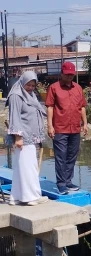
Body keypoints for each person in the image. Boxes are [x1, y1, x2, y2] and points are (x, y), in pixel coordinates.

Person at [6, 71, 49, 206]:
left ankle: (17, 196)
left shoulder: (29, 95)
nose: (30, 87)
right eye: (28, 84)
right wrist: (18, 137)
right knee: (28, 167)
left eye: (32, 85)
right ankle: (31, 196)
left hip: (30, 136)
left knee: (21, 167)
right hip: (23, 137)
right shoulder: (16, 96)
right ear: (22, 82)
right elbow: (15, 117)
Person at [45, 62, 88, 195]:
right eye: (67, 74)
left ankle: (68, 181)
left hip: (75, 128)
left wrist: (85, 123)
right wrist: (50, 126)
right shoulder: (54, 88)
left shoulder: (78, 88)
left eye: (71, 75)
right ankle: (61, 184)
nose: (69, 77)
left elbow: (82, 107)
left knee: (72, 156)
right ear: (61, 73)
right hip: (60, 128)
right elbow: (50, 107)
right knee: (60, 156)